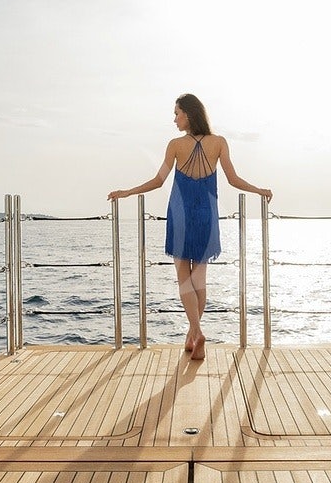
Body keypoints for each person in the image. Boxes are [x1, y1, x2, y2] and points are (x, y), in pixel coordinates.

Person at [108, 94, 272, 361]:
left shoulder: (175, 145)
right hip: (207, 214)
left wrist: (126, 192)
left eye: (177, 113)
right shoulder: (219, 143)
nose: (174, 119)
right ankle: (192, 335)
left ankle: (196, 332)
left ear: (189, 113)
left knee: (184, 278)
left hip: (180, 215)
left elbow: (158, 181)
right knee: (199, 278)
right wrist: (259, 190)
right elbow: (233, 179)